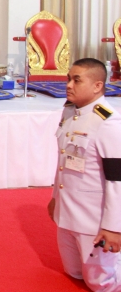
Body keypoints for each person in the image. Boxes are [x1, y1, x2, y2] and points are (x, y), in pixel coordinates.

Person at [48, 58, 121, 291]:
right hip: (68, 213)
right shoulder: (71, 112)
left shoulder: (108, 122)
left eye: (77, 80)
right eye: (68, 79)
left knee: (102, 283)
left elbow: (117, 180)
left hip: (93, 219)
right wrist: (55, 199)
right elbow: (63, 163)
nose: (69, 85)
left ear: (97, 86)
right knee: (73, 272)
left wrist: (113, 227)